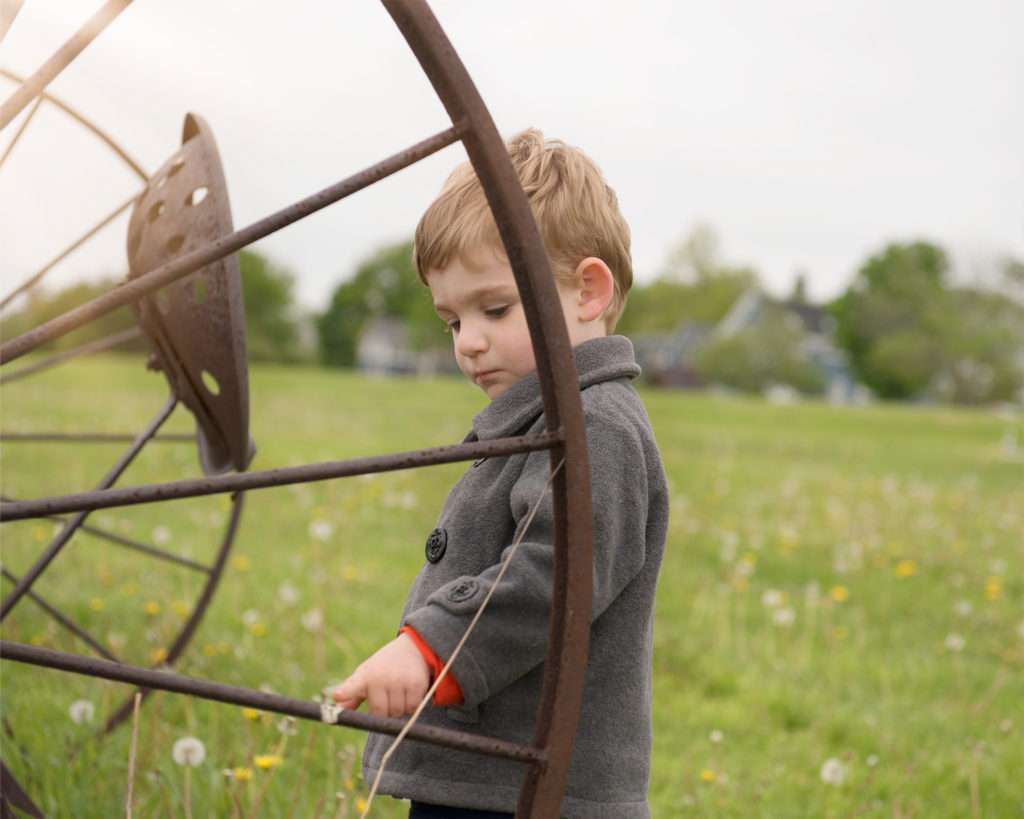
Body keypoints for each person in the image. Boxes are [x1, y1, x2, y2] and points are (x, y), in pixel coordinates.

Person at [332, 129, 668, 819]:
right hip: (494, 774)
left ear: (588, 291)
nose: (468, 342)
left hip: (536, 789)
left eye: (494, 308)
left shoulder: (596, 424)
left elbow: (555, 577)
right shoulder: (544, 417)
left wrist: (431, 649)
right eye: (452, 320)